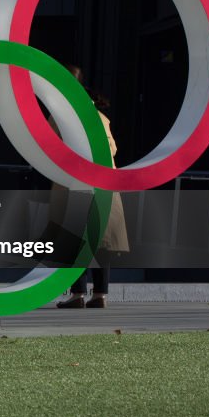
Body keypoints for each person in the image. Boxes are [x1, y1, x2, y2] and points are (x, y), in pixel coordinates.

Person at [53, 65, 129, 309]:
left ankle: (77, 294)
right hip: (104, 184)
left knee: (75, 240)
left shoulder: (61, 114)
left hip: (77, 184)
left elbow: (49, 147)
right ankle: (101, 295)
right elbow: (114, 149)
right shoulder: (99, 115)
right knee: (100, 242)